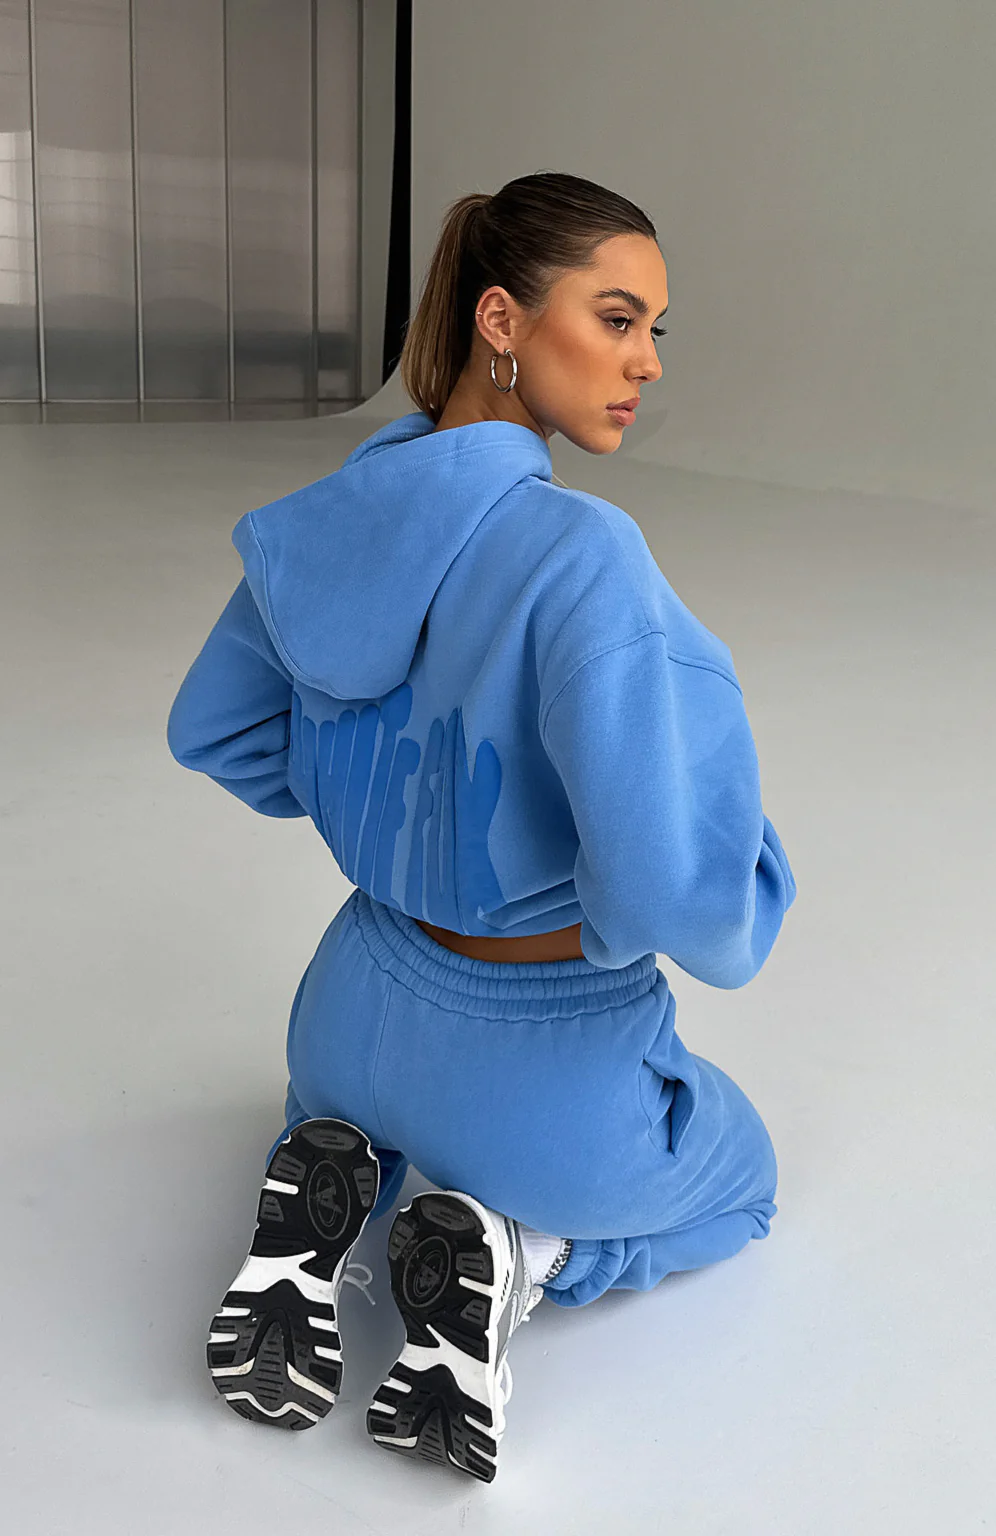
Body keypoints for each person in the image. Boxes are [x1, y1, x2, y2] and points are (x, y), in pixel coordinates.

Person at [167, 171, 797, 1483]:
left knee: (355, 1102)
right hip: (536, 1064)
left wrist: (378, 804)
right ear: (501, 319)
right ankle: (519, 1251)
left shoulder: (335, 520)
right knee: (743, 1180)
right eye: (616, 319)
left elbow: (215, 727)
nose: (646, 362)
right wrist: (731, 883)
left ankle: (338, 1182)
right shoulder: (584, 558)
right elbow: (685, 901)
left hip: (344, 1009)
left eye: (655, 330)